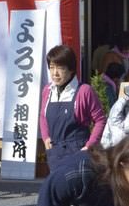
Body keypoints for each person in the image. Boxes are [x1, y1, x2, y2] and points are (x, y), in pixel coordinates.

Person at [39, 44, 106, 172]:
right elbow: (42, 116)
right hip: (55, 152)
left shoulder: (84, 91)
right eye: (52, 67)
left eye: (60, 68)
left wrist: (89, 146)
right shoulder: (47, 91)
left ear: (71, 69)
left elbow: (100, 120)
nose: (55, 73)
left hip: (78, 151)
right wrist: (46, 137)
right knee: (58, 188)